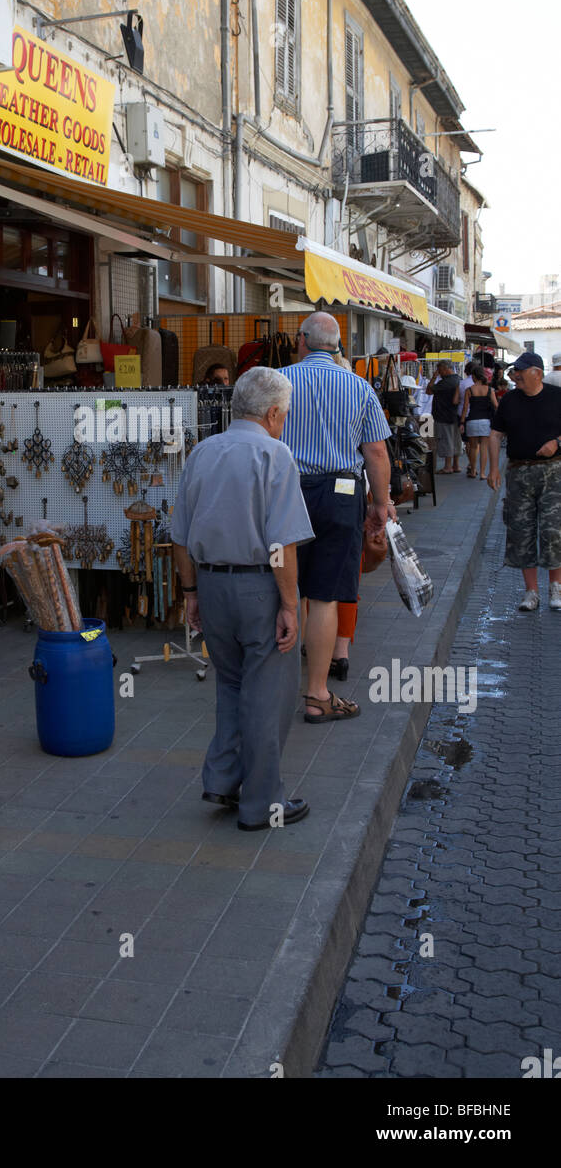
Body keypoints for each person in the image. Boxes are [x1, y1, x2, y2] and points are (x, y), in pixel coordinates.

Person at [171, 367, 315, 831]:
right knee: (267, 697)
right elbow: (283, 544)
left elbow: (180, 536)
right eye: (285, 414)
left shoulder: (202, 452)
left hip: (212, 586)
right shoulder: (275, 455)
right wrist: (290, 605)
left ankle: (223, 779)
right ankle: (261, 805)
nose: (284, 422)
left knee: (230, 686)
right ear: (273, 412)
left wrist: (191, 592)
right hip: (258, 589)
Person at [280, 311, 393, 722]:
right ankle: (316, 695)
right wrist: (380, 506)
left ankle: (275, 689)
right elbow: (376, 453)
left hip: (285, 494)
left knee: (288, 588)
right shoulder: (359, 386)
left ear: (301, 340)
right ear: (339, 346)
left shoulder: (278, 382)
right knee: (325, 594)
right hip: (341, 495)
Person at [487, 352, 561, 612]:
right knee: (521, 532)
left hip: (553, 473)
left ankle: (556, 587)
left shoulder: (556, 396)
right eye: (514, 371)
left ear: (537, 373)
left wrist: (557, 443)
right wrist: (493, 469)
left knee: (553, 531)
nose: (514, 375)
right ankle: (531, 592)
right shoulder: (509, 402)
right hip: (518, 473)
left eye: (520, 371)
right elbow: (495, 435)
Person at [460, 367, 498, 479]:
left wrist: (462, 422)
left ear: (474, 377)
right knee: (484, 448)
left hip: (472, 421)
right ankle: (482, 473)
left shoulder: (469, 390)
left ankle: (473, 471)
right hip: (485, 421)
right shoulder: (490, 390)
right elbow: (496, 406)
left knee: (472, 447)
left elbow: (465, 408)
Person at [426, 360, 462, 473]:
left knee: (446, 440)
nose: (439, 373)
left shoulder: (445, 382)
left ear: (447, 369)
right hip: (455, 415)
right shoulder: (459, 379)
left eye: (440, 370)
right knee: (456, 441)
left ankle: (447, 467)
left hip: (443, 415)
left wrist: (433, 377)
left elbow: (429, 391)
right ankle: (456, 465)